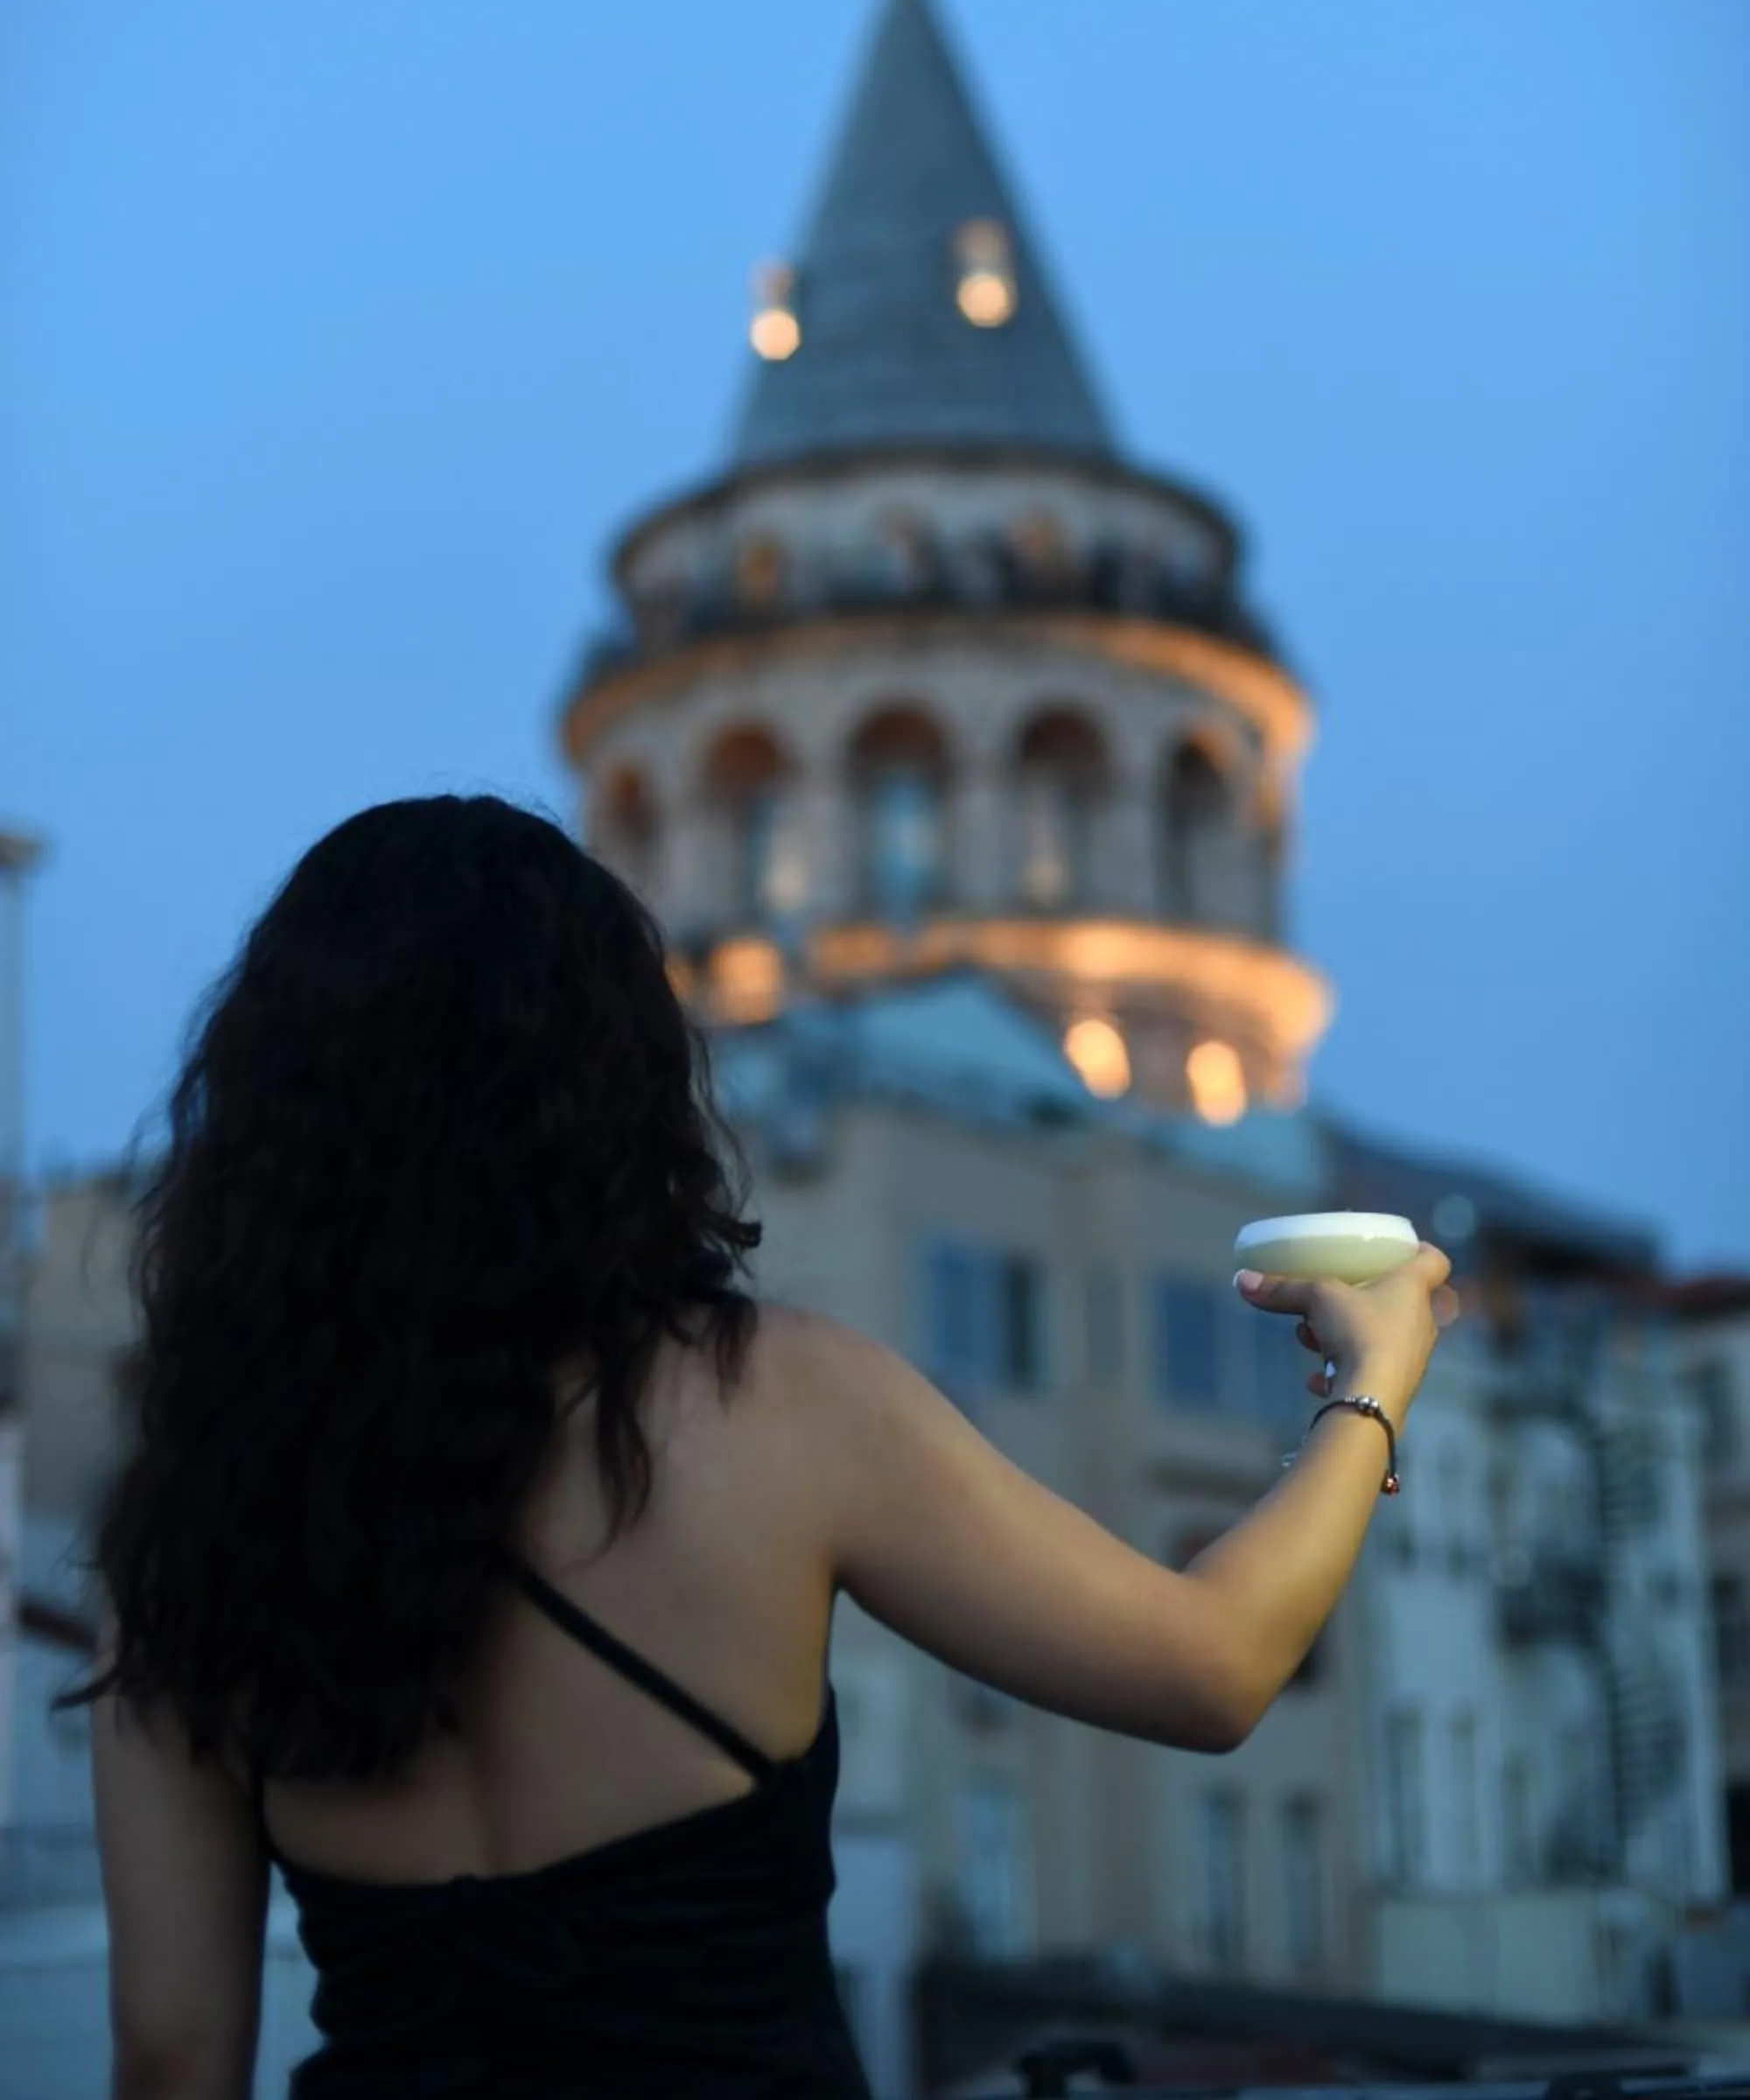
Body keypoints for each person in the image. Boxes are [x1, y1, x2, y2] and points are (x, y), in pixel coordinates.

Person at [63, 793, 1455, 2100]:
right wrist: (1372, 1384)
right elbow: (1213, 1671)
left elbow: (175, 2056)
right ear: (615, 1086)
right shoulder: (776, 1406)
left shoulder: (190, 1533)